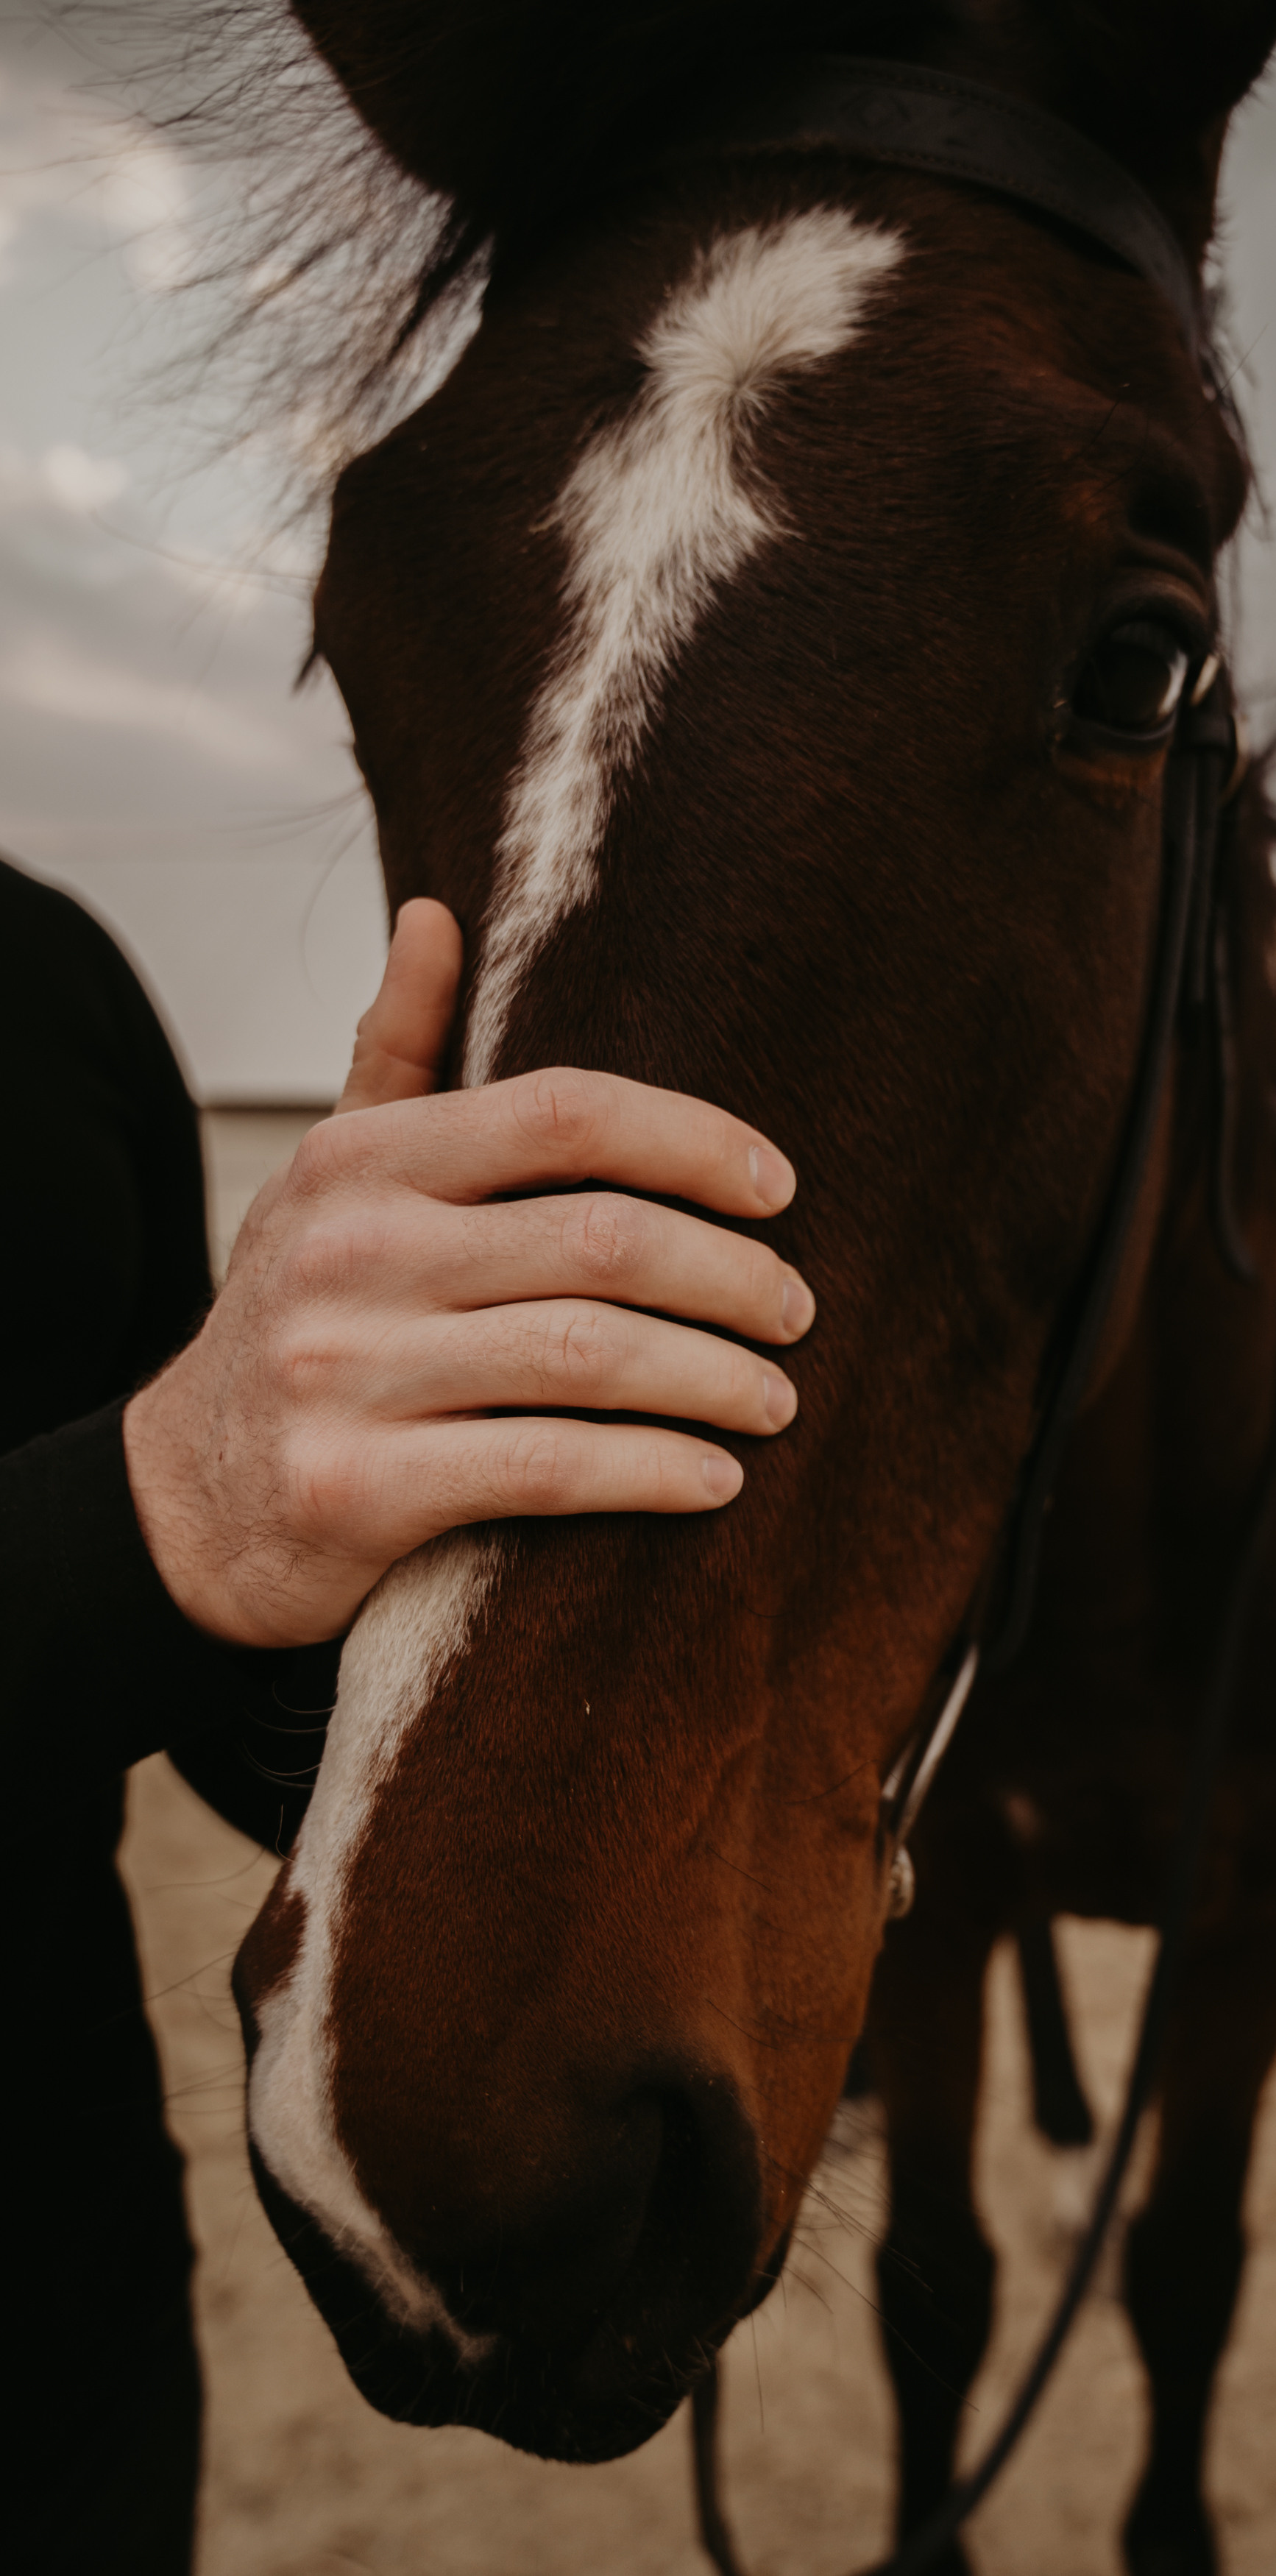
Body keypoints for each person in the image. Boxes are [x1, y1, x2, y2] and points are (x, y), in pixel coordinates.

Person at [2, 855, 814, 2571]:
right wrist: (154, 1512)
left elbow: (191, 1683)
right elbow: (160, 1539)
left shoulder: (52, 983)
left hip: (68, 2311)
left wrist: (439, 1596)